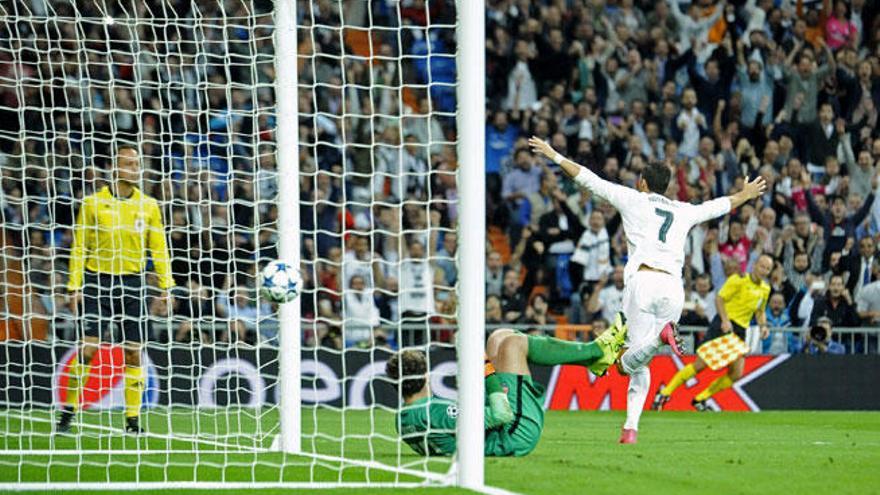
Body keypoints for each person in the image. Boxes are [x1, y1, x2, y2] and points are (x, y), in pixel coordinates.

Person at [529, 136, 766, 443]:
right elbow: (719, 206)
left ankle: (659, 340)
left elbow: (589, 179)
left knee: (627, 363)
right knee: (641, 364)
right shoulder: (684, 210)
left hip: (643, 282)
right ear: (667, 186)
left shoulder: (631, 198)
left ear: (641, 182)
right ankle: (631, 428)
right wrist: (746, 193)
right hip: (673, 287)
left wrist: (553, 154)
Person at [386, 317, 627, 457]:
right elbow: (501, 415)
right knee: (513, 344)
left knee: (498, 337)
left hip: (495, 432)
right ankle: (596, 351)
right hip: (514, 434)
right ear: (427, 376)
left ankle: (594, 359)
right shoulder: (436, 411)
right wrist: (484, 367)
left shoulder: (402, 419)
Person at [59, 146, 174, 434]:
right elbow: (79, 246)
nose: (136, 168)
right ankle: (69, 411)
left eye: (138, 163)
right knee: (88, 349)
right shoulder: (92, 203)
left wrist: (166, 286)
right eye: (130, 163)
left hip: (133, 284)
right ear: (115, 168)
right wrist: (74, 285)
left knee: (134, 353)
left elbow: (159, 249)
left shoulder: (149, 206)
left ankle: (133, 420)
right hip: (98, 282)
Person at [653, 254, 773, 412]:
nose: (764, 270)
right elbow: (719, 299)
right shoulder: (738, 279)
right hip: (724, 325)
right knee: (700, 365)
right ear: (754, 265)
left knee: (736, 373)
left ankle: (701, 399)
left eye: (767, 268)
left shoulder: (765, 289)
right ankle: (664, 393)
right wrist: (724, 320)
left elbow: (760, 311)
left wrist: (763, 325)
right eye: (762, 266)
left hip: (740, 331)